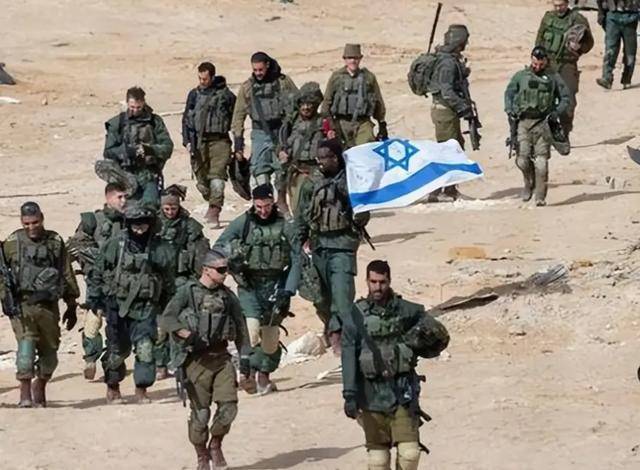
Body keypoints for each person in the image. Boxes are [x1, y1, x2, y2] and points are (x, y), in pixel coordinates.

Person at [341, 260, 450, 470]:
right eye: (373, 282)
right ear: (367, 281)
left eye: (382, 282)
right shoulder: (355, 315)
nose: (378, 287)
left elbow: (437, 335)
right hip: (370, 395)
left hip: (402, 393)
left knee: (409, 455)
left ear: (389, 281)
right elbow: (348, 357)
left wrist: (423, 340)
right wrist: (349, 395)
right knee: (378, 460)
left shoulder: (407, 311)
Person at [161, 249, 252, 470]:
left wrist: (245, 359)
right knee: (200, 415)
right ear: (206, 270)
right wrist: (186, 334)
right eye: (221, 269)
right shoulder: (187, 292)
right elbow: (167, 319)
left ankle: (216, 444)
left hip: (221, 358)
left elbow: (241, 328)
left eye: (226, 269)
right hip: (195, 361)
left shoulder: (228, 296)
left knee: (229, 408)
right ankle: (202, 455)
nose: (225, 273)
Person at [213, 184, 300, 395]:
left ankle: (264, 374)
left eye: (267, 206)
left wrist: (288, 290)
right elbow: (219, 246)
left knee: (270, 339)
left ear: (273, 203)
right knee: (251, 330)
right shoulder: (243, 223)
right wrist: (232, 262)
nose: (263, 211)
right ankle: (247, 371)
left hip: (276, 286)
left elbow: (297, 259)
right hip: (249, 285)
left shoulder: (285, 225)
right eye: (259, 206)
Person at [88, 202, 176, 404]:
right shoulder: (115, 245)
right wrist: (95, 300)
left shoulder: (160, 248)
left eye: (144, 223)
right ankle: (113, 386)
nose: (139, 228)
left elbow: (168, 280)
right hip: (117, 306)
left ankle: (141, 389)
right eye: (135, 223)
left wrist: (170, 307)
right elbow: (97, 272)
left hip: (146, 308)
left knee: (145, 348)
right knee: (117, 351)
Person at [1, 202, 79, 407]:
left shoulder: (54, 241)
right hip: (23, 305)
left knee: (50, 355)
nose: (31, 227)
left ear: (42, 218)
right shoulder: (12, 242)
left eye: (35, 222)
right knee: (25, 351)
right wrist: (5, 297)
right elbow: (3, 274)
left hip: (48, 305)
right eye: (26, 223)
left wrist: (71, 304)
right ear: (21, 222)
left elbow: (65, 271)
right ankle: (24, 394)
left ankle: (41, 383)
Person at [295, 138, 370, 353]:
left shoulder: (351, 180)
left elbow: (364, 214)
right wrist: (298, 242)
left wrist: (353, 206)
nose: (320, 162)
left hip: (343, 244)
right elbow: (301, 214)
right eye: (318, 158)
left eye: (325, 158)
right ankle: (330, 325)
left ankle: (339, 334)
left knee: (342, 292)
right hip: (319, 244)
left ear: (336, 158)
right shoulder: (312, 183)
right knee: (320, 295)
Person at [67, 182, 127, 380]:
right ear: (108, 198)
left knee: (119, 325)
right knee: (94, 318)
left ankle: (112, 360)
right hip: (97, 280)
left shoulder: (132, 220)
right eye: (119, 197)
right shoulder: (92, 221)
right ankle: (91, 358)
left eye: (126, 197)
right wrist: (93, 261)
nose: (124, 201)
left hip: (123, 282)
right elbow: (74, 247)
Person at [154, 184, 210, 380]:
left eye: (174, 208)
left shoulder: (190, 226)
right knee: (160, 325)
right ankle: (160, 364)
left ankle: (179, 362)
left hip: (181, 280)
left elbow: (201, 255)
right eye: (167, 208)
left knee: (181, 323)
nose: (170, 212)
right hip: (158, 281)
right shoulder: (153, 224)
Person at [231, 51, 298, 213]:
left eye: (260, 69)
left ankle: (281, 201)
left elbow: (297, 103)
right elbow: (238, 116)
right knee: (259, 170)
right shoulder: (247, 87)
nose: (258, 73)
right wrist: (238, 144)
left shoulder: (283, 83)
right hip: (259, 133)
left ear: (267, 65)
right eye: (255, 70)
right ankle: (265, 204)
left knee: (282, 168)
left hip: (281, 131)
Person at [504, 46, 571, 206]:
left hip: (543, 124)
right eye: (535, 64)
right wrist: (510, 109)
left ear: (546, 62)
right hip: (523, 123)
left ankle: (540, 197)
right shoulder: (521, 76)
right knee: (522, 160)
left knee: (541, 164)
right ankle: (528, 182)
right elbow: (509, 93)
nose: (537, 67)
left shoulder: (553, 77)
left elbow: (565, 98)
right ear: (531, 60)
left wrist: (556, 112)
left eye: (541, 64)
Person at [182, 62, 237, 227]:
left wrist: (239, 144)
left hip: (220, 141)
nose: (202, 82)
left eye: (205, 79)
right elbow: (186, 119)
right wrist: (187, 141)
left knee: (217, 178)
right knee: (202, 182)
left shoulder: (226, 96)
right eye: (200, 78)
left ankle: (214, 210)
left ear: (212, 77)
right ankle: (211, 200)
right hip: (199, 142)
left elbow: (236, 118)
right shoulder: (194, 95)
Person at [103, 86, 174, 206]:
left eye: (138, 107)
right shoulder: (117, 123)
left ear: (143, 103)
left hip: (148, 174)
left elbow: (167, 147)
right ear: (127, 103)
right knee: (126, 210)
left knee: (150, 207)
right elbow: (108, 151)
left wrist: (149, 149)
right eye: (132, 107)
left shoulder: (154, 122)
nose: (135, 110)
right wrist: (128, 151)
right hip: (124, 175)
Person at [427, 24, 474, 201]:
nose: (466, 44)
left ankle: (449, 188)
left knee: (454, 147)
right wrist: (463, 107)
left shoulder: (449, 60)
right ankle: (437, 190)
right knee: (447, 151)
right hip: (445, 111)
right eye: (464, 41)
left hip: (446, 111)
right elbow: (447, 91)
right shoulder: (447, 63)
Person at [535, 0, 594, 135]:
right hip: (548, 63)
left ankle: (564, 131)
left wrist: (579, 48)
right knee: (543, 98)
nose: (558, 8)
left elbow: (589, 43)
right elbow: (539, 39)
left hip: (567, 64)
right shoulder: (548, 17)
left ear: (567, 4)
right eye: (555, 5)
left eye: (561, 5)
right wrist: (538, 60)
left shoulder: (578, 19)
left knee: (568, 99)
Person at [321, 43, 387, 149]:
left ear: (360, 59)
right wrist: (330, 127)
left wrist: (382, 123)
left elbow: (378, 101)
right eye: (350, 58)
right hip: (341, 123)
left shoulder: (369, 78)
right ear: (345, 59)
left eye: (356, 58)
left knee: (365, 149)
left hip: (363, 123)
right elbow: (326, 103)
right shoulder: (336, 77)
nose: (353, 61)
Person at [278, 81, 326, 212]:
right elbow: (282, 142)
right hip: (296, 169)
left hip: (316, 170)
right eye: (303, 104)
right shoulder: (291, 122)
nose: (306, 108)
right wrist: (282, 152)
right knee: (297, 208)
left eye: (309, 104)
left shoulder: (323, 121)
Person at [596, 0, 640, 89]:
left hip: (631, 17)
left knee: (630, 52)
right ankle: (607, 78)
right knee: (610, 49)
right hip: (612, 16)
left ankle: (626, 79)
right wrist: (601, 13)